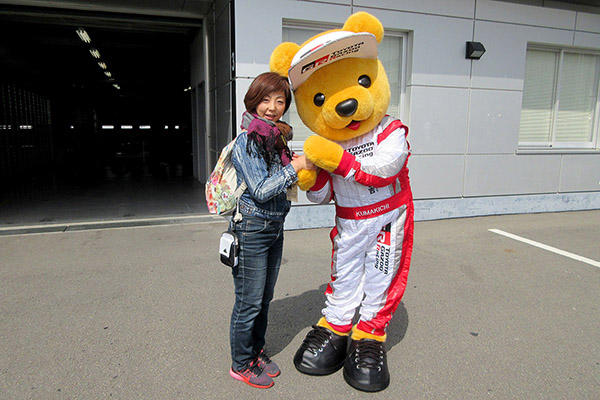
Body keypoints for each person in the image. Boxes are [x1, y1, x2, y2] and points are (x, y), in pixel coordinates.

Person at [228, 72, 314, 389]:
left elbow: (281, 184)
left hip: (275, 225)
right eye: (265, 99)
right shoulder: (247, 141)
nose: (272, 107)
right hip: (251, 228)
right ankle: (241, 363)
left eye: (279, 101)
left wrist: (291, 164)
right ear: (253, 101)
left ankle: (256, 352)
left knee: (264, 299)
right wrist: (296, 166)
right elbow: (262, 190)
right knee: (248, 301)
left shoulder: (276, 138)